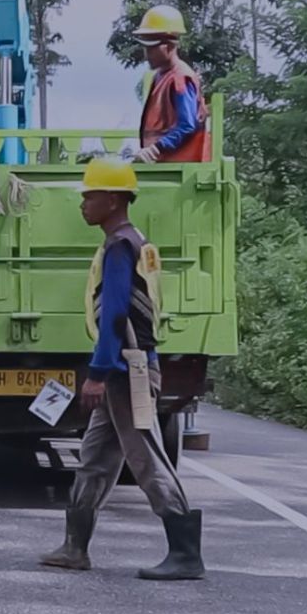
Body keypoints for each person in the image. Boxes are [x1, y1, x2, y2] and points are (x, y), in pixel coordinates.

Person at [39, 157, 204, 580]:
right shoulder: (135, 241)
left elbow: (115, 314)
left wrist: (98, 371)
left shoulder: (120, 245)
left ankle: (185, 552)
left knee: (146, 457)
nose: (83, 204)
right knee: (95, 457)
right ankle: (75, 548)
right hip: (127, 365)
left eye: (90, 196)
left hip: (127, 368)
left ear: (112, 200)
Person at [132, 4, 210, 164]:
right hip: (163, 163)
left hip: (181, 166)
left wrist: (156, 149)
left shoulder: (180, 78)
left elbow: (187, 125)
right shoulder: (160, 77)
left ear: (168, 46)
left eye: (151, 48)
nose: (147, 56)